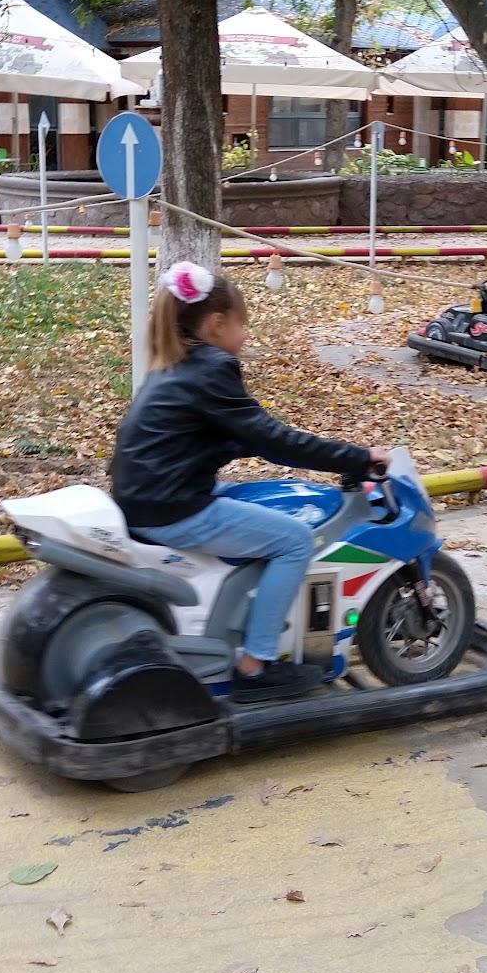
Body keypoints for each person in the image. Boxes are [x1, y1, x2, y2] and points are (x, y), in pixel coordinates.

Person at [110, 261, 386, 702]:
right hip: (171, 506)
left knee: (256, 499)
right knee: (294, 540)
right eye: (243, 325)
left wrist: (266, 444)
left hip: (146, 496)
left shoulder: (173, 364)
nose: (245, 335)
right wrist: (357, 457)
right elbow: (271, 439)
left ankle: (237, 618)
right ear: (217, 324)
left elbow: (211, 438)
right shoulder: (212, 367)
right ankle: (255, 666)